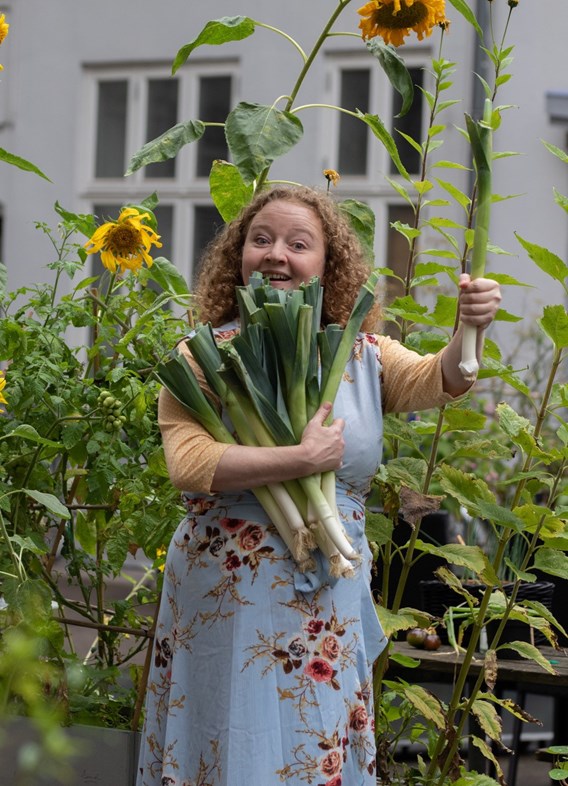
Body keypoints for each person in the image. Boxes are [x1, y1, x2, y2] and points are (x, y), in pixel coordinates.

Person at [136, 185, 501, 786]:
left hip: (325, 589)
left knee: (313, 747)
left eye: (297, 244)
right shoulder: (203, 356)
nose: (276, 254)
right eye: (261, 240)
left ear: (328, 265)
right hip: (226, 593)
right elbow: (190, 462)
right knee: (226, 741)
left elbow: (445, 377)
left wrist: (470, 328)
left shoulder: (364, 355)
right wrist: (298, 457)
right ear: (239, 256)